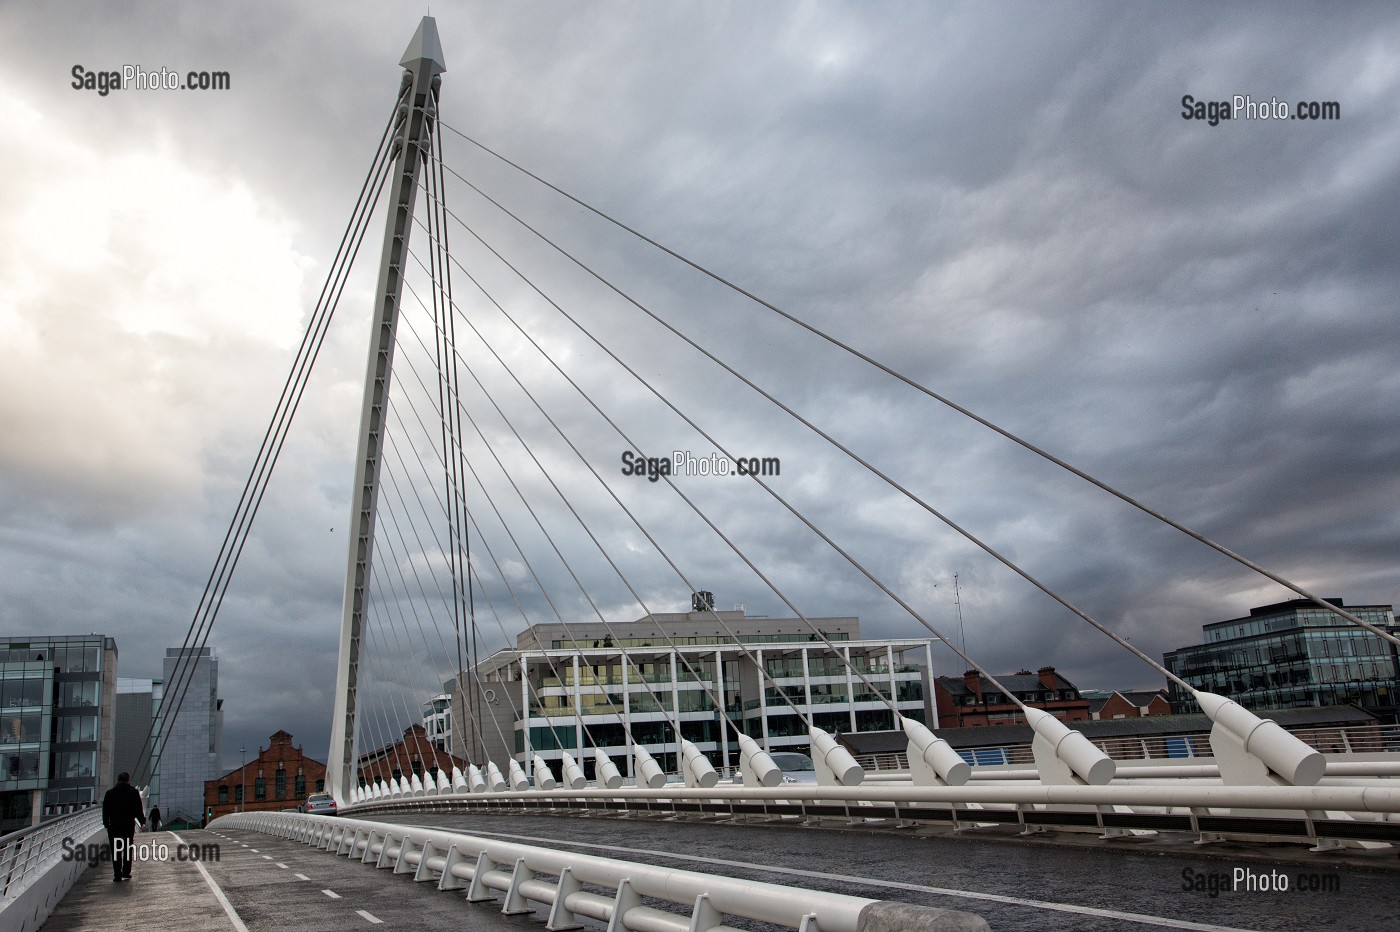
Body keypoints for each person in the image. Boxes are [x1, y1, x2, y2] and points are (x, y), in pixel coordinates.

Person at [102, 772, 146, 882]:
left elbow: (105, 811)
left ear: (118, 780)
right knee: (127, 848)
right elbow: (138, 809)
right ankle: (126, 872)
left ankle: (117, 874)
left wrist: (106, 824)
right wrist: (142, 822)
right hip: (128, 825)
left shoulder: (110, 793)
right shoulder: (134, 792)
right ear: (128, 780)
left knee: (116, 850)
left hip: (114, 826)